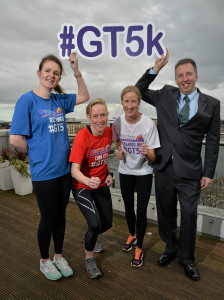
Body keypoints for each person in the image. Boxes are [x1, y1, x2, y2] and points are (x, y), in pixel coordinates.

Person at [135, 49, 220, 281]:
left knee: (190, 215)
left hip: (191, 170)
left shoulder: (212, 104)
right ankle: (170, 248)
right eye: (180, 75)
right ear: (175, 79)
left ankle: (186, 258)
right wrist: (156, 69)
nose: (185, 79)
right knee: (165, 213)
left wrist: (208, 173)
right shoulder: (164, 94)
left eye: (189, 74)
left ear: (196, 75)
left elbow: (212, 142)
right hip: (164, 167)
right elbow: (138, 91)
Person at [10, 52, 90, 281]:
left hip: (64, 171)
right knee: (48, 217)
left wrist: (75, 70)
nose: (51, 75)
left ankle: (58, 256)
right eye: (48, 70)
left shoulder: (58, 100)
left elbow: (85, 95)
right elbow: (15, 139)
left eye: (56, 73)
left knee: (61, 216)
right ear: (39, 73)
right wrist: (36, 151)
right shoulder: (27, 100)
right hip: (44, 173)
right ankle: (44, 260)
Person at [112, 85, 160, 267]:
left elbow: (154, 158)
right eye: (126, 101)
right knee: (129, 208)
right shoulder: (117, 122)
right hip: (125, 171)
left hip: (144, 173)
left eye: (133, 101)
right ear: (122, 103)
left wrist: (148, 152)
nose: (130, 105)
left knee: (141, 211)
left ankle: (139, 247)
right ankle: (132, 235)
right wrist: (119, 151)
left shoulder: (148, 124)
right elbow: (117, 140)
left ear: (139, 103)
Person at [69, 98, 113, 279]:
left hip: (101, 184)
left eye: (103, 115)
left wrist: (110, 174)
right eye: (95, 116)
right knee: (94, 224)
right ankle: (89, 259)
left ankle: (88, 239)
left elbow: (104, 157)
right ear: (88, 117)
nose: (100, 119)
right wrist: (88, 181)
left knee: (107, 223)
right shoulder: (82, 137)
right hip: (82, 186)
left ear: (107, 115)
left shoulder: (109, 132)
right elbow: (74, 171)